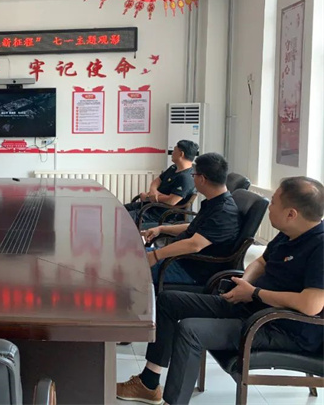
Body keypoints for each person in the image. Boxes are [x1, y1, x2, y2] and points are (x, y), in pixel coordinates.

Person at [117, 176, 324, 405]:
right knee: (167, 301)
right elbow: (261, 262)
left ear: (291, 214)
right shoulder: (289, 233)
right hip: (252, 305)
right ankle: (148, 384)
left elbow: (311, 304)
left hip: (278, 327)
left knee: (190, 330)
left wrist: (255, 293)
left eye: (274, 202)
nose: (270, 208)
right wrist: (245, 283)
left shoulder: (319, 247)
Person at [142, 153, 241, 287]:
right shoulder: (215, 202)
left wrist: (155, 255)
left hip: (189, 270)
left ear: (202, 179)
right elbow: (195, 227)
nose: (192, 179)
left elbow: (194, 244)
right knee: (129, 256)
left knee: (127, 269)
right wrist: (161, 229)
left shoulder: (223, 212)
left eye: (194, 175)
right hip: (177, 259)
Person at [124, 140, 198, 226]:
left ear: (181, 154)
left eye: (174, 150)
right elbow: (158, 180)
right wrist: (153, 191)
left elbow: (172, 201)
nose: (172, 153)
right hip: (151, 206)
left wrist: (149, 197)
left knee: (121, 218)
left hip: (162, 214)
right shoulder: (174, 168)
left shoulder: (186, 178)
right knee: (120, 210)